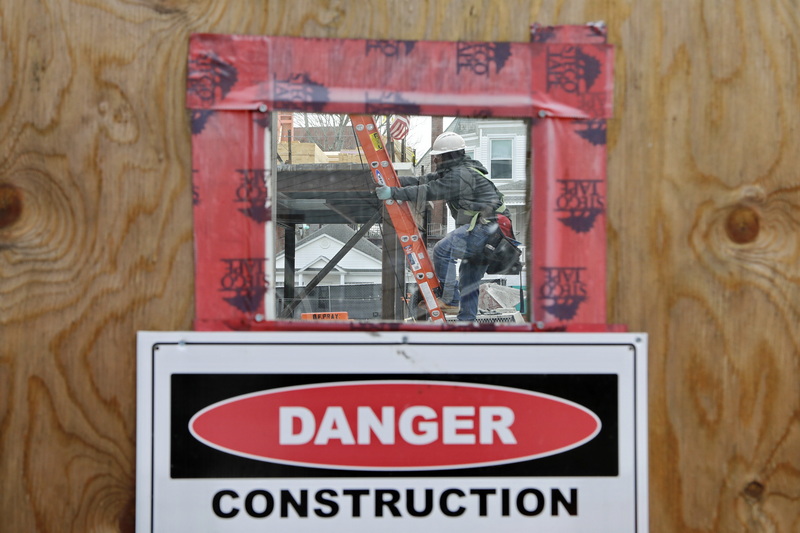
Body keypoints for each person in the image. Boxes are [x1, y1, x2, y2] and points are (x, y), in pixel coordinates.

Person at [375, 131, 510, 321]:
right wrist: (394, 182)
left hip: (488, 228)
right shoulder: (455, 171)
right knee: (468, 280)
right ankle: (466, 326)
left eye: (439, 156)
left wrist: (394, 193)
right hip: (492, 232)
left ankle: (451, 300)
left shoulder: (461, 175)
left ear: (450, 156)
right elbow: (424, 181)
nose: (436, 160)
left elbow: (430, 190)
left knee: (442, 250)